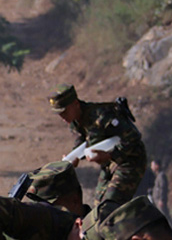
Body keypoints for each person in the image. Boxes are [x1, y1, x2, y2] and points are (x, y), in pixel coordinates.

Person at [48, 84, 147, 223]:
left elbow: (133, 137)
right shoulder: (75, 121)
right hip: (109, 165)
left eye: (64, 112)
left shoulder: (102, 115)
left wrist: (110, 155)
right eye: (59, 113)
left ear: (75, 104)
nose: (62, 117)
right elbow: (82, 140)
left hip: (129, 162)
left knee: (109, 208)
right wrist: (73, 157)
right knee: (98, 207)